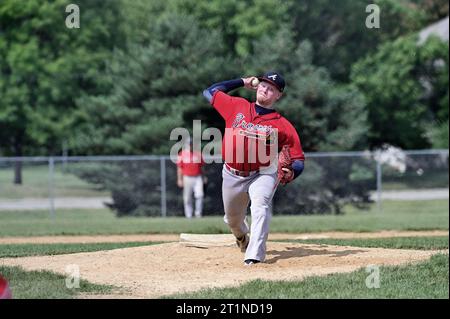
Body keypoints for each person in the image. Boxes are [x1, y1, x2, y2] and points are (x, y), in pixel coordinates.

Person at [203, 71, 305, 266]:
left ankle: (254, 256)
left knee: (260, 205)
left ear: (278, 96)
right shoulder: (236, 106)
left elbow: (298, 158)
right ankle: (241, 237)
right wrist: (242, 81)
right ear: (258, 86)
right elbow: (209, 91)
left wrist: (292, 172)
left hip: (264, 172)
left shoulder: (282, 125)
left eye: (272, 89)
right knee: (233, 220)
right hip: (232, 173)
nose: (266, 89)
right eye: (264, 85)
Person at [176, 141, 207, 218]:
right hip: (187, 177)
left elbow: (202, 167)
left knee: (200, 195)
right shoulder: (182, 154)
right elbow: (179, 168)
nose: (190, 146)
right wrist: (179, 179)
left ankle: (198, 214)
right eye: (188, 144)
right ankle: (188, 215)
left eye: (191, 144)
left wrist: (204, 177)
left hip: (197, 177)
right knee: (187, 197)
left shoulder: (198, 154)